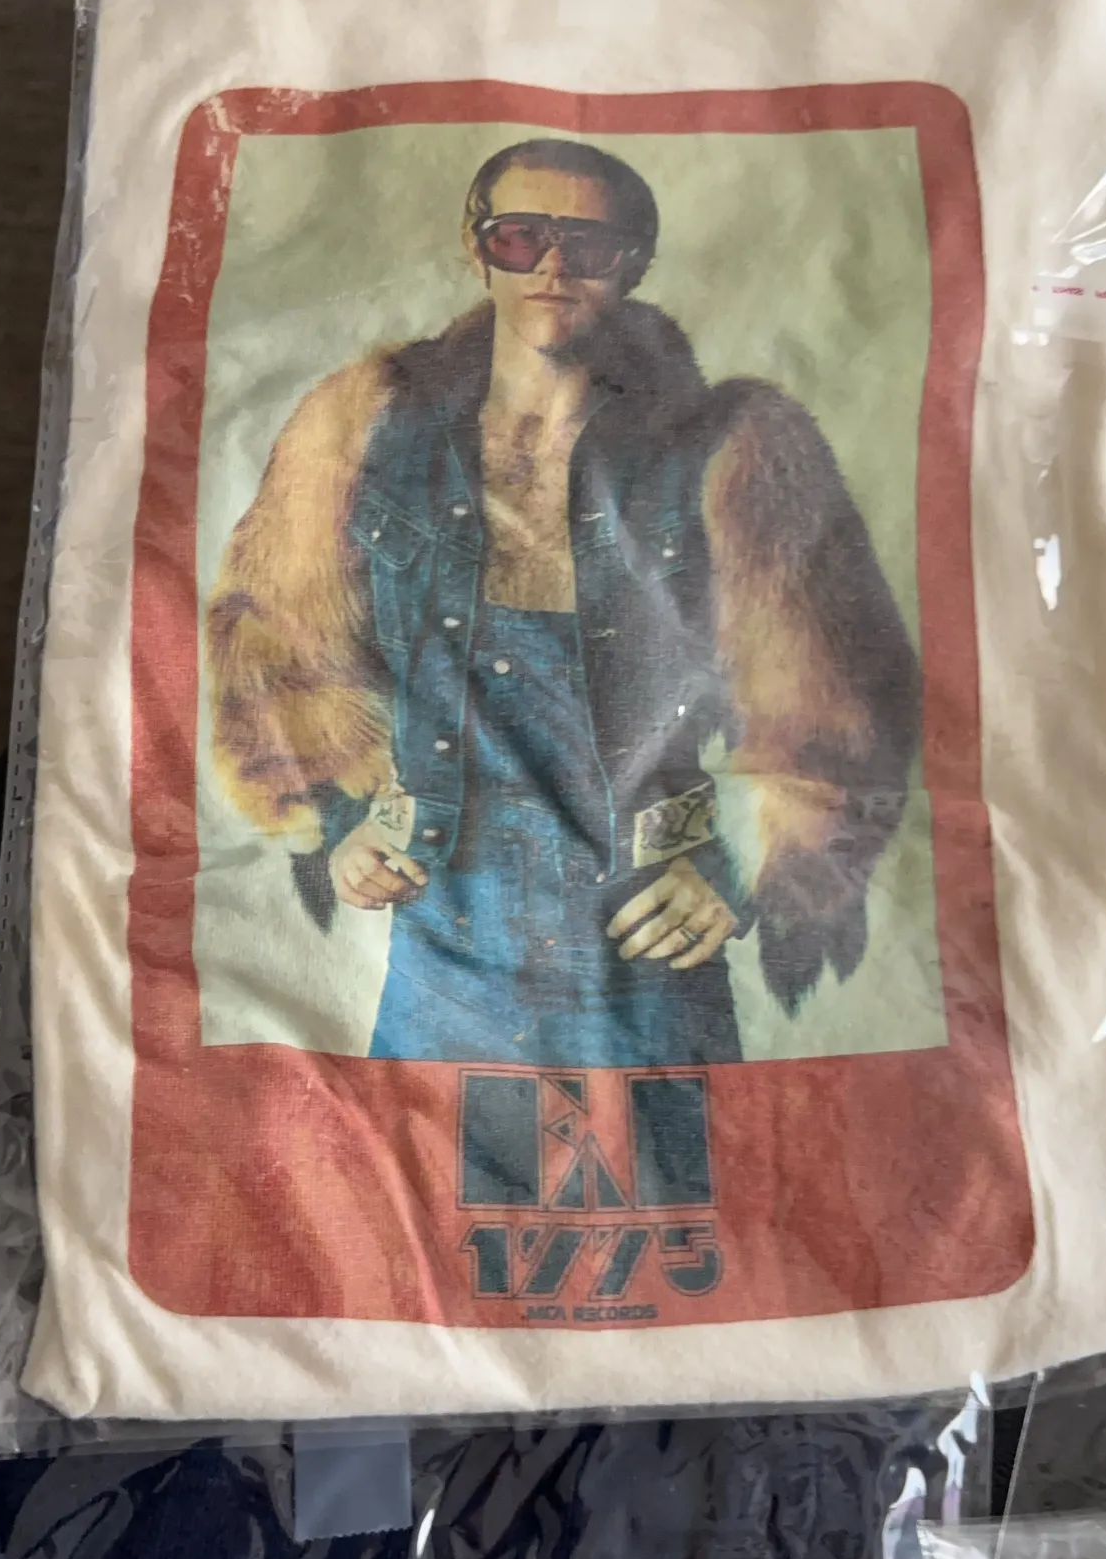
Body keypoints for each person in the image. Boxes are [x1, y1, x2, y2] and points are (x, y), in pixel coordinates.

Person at [207, 138, 920, 1067]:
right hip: (443, 928)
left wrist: (748, 865)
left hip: (645, 934)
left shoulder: (731, 448)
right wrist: (341, 820)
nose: (551, 266)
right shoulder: (365, 426)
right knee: (430, 1160)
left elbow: (842, 700)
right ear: (477, 249)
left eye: (587, 246)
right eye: (519, 237)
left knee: (662, 1162)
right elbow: (276, 641)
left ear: (635, 263)